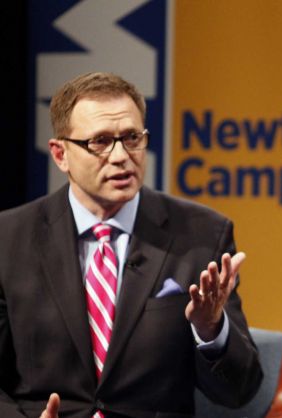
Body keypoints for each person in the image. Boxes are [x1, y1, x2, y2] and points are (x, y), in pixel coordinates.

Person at [0, 72, 262, 418]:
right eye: (100, 142)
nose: (121, 156)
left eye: (132, 138)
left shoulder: (202, 236)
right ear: (60, 154)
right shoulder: (9, 239)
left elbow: (239, 391)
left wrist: (210, 329)